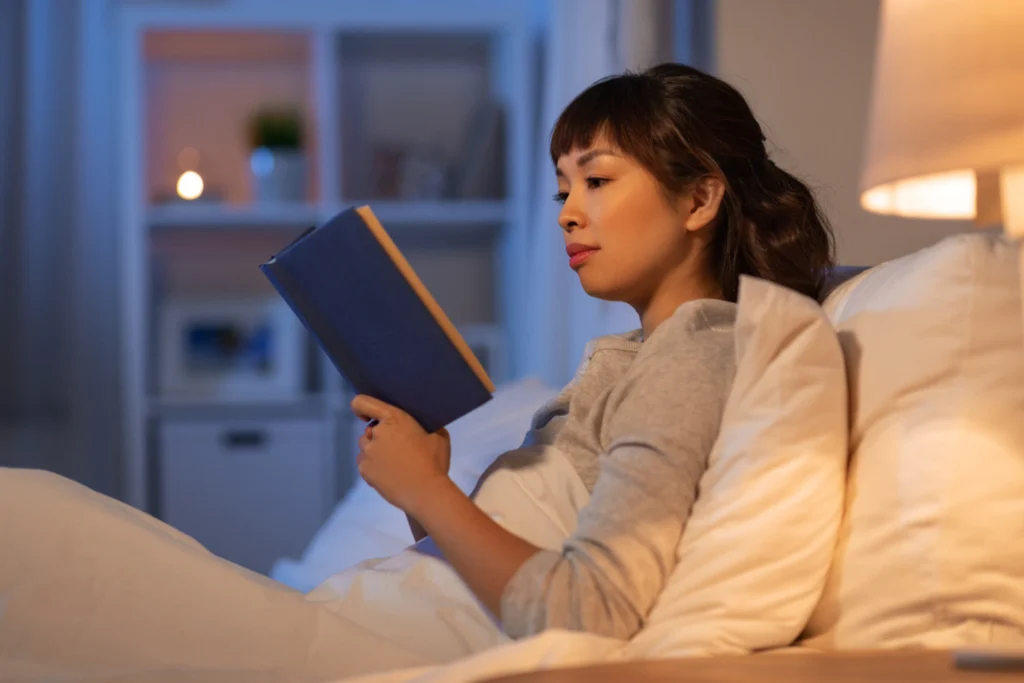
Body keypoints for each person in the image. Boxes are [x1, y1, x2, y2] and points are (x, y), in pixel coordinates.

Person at [0, 63, 833, 679]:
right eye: (560, 189)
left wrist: (429, 494)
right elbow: (516, 554)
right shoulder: (639, 356)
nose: (570, 211)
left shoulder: (698, 350)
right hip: (384, 619)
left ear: (700, 199)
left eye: (599, 180)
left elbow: (592, 610)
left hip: (400, 647)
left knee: (28, 531)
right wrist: (424, 488)